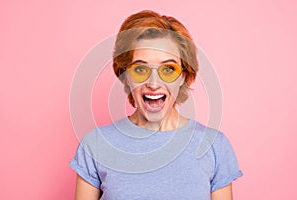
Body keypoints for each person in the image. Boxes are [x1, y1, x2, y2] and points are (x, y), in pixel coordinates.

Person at [70, 10, 243, 199]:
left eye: (168, 69)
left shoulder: (214, 146)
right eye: (140, 69)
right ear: (125, 75)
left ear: (183, 76)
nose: (153, 83)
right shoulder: (95, 145)